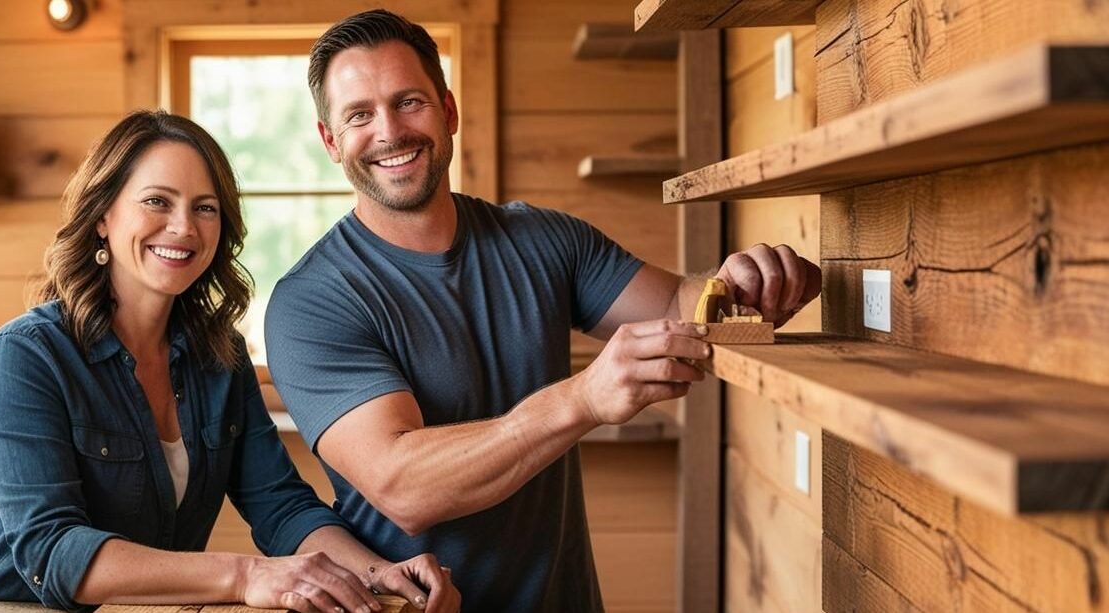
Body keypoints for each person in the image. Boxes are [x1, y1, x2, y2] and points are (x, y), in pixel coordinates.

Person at [263, 10, 822, 613]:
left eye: (409, 102)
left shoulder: (542, 239)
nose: (390, 131)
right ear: (330, 142)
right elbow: (403, 486)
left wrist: (738, 285)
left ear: (448, 111)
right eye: (359, 115)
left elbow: (672, 304)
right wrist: (582, 398)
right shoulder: (311, 302)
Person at [0, 110, 459, 613]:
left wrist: (376, 572)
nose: (183, 227)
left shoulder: (220, 355)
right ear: (103, 216)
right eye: (156, 201)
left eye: (205, 207)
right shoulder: (25, 356)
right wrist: (246, 575)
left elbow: (280, 506)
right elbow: (53, 553)